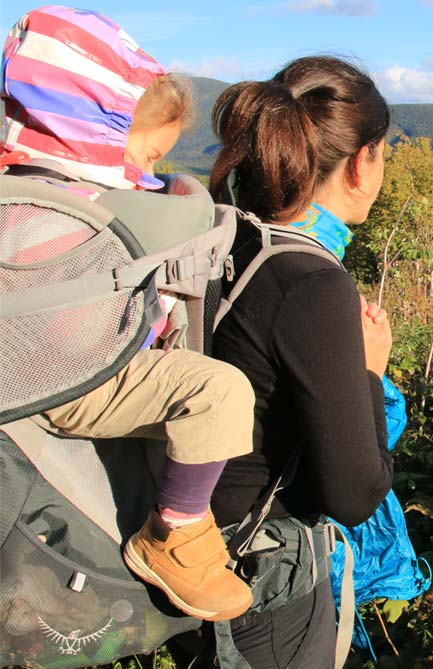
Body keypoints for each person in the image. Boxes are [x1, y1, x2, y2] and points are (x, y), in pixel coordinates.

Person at [1, 5, 254, 622]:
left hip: (23, 367)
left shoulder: (25, 195)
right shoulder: (86, 213)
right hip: (74, 377)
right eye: (144, 154)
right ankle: (174, 533)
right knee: (220, 392)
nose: (145, 172)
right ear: (97, 132)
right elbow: (78, 328)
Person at [168, 56, 395, 669]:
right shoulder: (313, 283)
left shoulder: (232, 236)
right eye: (384, 154)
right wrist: (370, 374)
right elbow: (352, 494)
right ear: (361, 163)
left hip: (196, 548)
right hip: (261, 584)